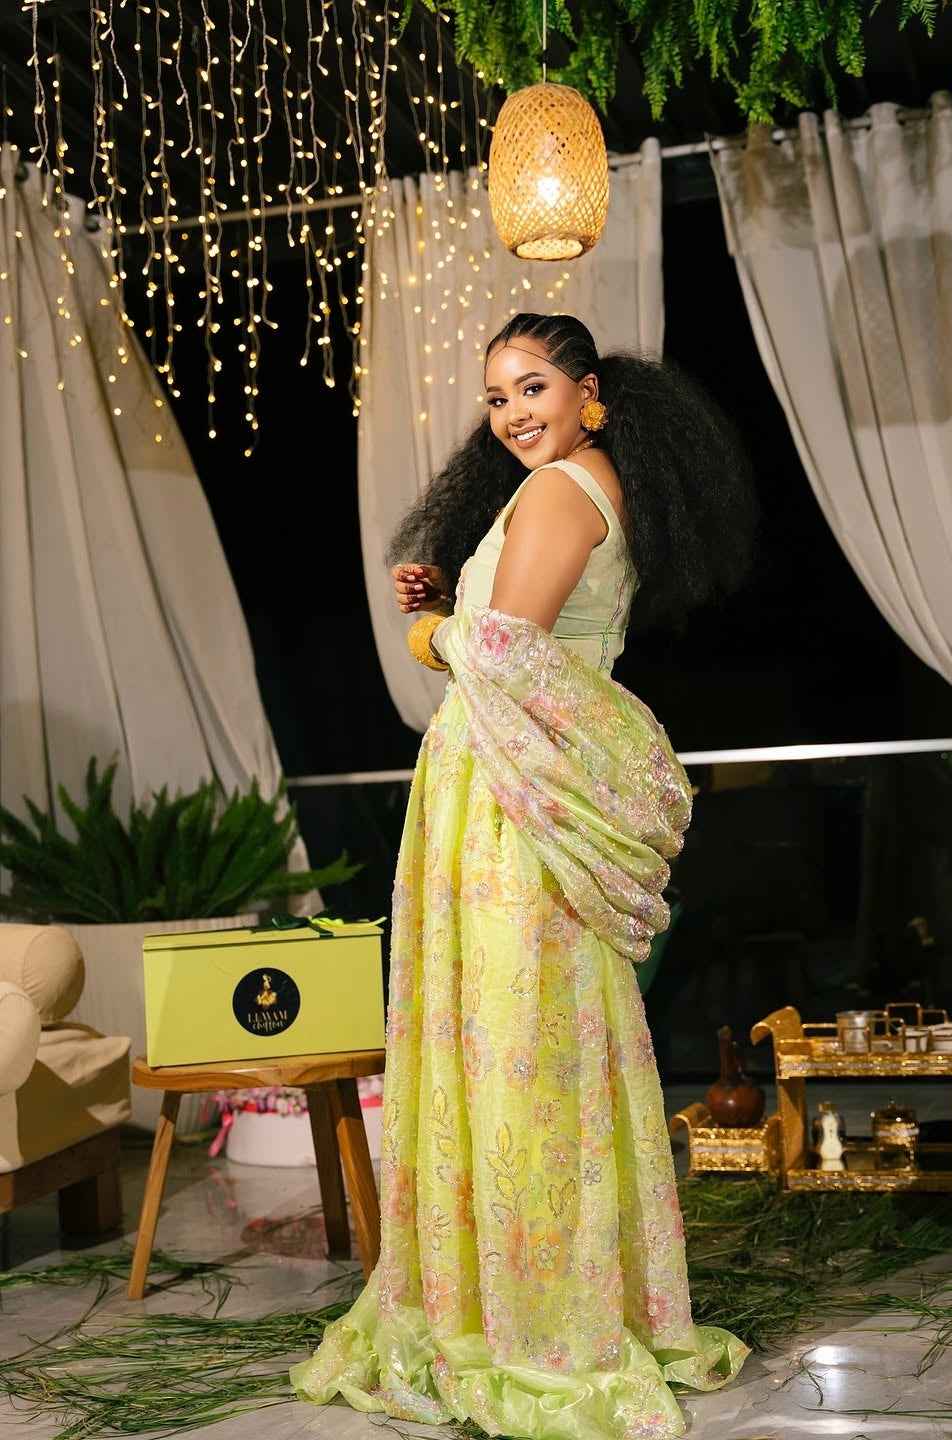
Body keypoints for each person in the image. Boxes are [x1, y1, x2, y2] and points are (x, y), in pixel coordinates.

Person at [291, 313, 757, 1440]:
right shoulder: (582, 481)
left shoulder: (562, 488)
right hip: (507, 783)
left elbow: (500, 652)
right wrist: (446, 611)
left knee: (512, 1049)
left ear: (590, 391)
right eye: (498, 397)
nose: (514, 414)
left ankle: (527, 1324)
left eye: (534, 387)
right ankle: (547, 1301)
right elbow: (523, 637)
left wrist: (430, 636)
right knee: (539, 1043)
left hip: (509, 805)